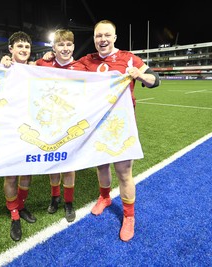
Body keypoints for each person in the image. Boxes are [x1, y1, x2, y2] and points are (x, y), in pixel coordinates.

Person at [78, 20, 160, 242]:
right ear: (94, 38)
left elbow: (155, 80)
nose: (102, 39)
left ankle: (129, 216)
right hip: (97, 126)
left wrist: (140, 75)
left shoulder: (128, 58)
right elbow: (63, 73)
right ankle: (104, 197)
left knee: (124, 173)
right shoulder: (87, 60)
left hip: (122, 127)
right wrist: (47, 58)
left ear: (114, 37)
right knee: (101, 166)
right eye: (98, 36)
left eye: (107, 35)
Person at [35, 29, 86, 223]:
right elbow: (22, 70)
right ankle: (55, 197)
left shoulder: (81, 67)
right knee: (54, 162)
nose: (65, 48)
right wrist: (7, 61)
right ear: (54, 47)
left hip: (71, 124)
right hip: (49, 124)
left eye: (68, 44)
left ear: (73, 46)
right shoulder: (43, 64)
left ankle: (69, 202)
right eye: (61, 44)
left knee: (69, 165)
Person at [1, 31, 37, 242]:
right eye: (19, 46)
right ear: (11, 49)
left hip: (29, 128)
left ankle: (21, 205)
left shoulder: (34, 69)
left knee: (27, 170)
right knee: (11, 175)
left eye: (26, 47)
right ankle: (14, 213)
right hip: (8, 128)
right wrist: (2, 64)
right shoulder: (4, 67)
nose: (23, 50)